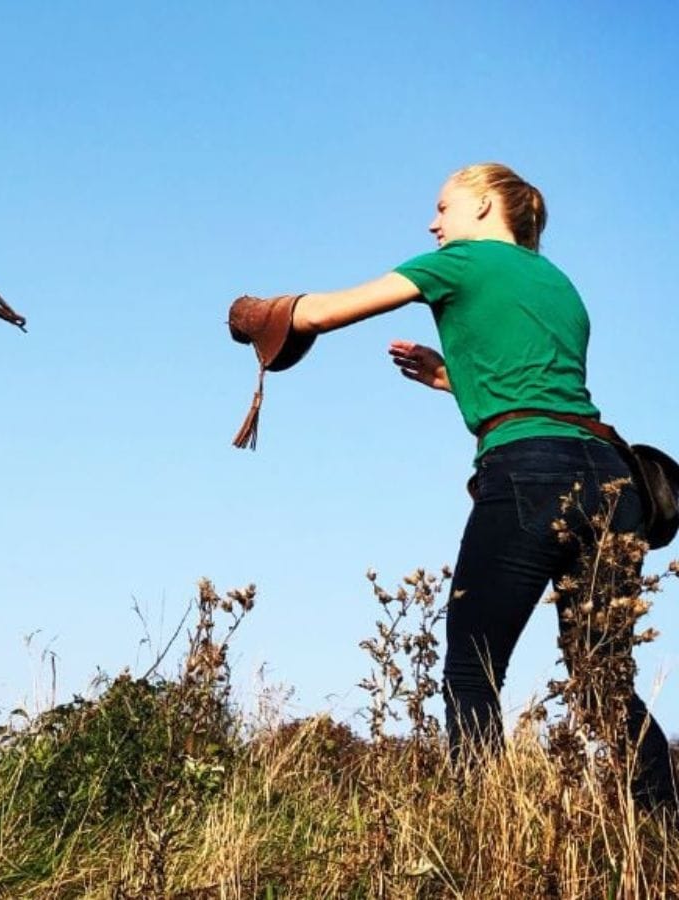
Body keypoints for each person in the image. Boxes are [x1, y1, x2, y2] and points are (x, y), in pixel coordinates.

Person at [283, 162, 677, 810]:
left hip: (529, 474)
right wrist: (449, 380)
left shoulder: (460, 262)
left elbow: (323, 314)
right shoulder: (560, 285)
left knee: (473, 669)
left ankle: (486, 845)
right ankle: (662, 843)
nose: (433, 222)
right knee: (604, 688)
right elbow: (533, 390)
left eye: (444, 206)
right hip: (614, 477)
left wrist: (261, 316)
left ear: (489, 205)